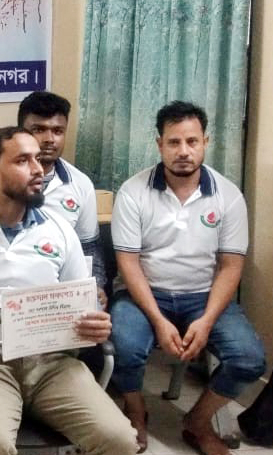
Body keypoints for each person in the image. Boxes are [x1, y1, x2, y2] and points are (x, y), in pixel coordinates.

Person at [0, 127, 137, 455]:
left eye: (37, 159)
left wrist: (95, 322)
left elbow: (85, 301)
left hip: (52, 361)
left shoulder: (59, 229)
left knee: (120, 440)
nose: (38, 169)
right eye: (23, 161)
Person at [110, 102, 266, 455]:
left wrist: (207, 320)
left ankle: (198, 421)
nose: (183, 151)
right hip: (143, 294)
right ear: (159, 144)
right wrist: (158, 320)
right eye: (174, 142)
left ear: (205, 142)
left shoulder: (228, 195)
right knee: (124, 347)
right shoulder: (134, 191)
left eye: (192, 141)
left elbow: (231, 266)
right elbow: (128, 263)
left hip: (203, 296)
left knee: (249, 359)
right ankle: (136, 410)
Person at [0, 91, 105, 289]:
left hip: (57, 289)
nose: (49, 139)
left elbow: (89, 248)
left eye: (58, 131)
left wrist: (97, 286)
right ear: (21, 132)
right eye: (39, 130)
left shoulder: (80, 184)